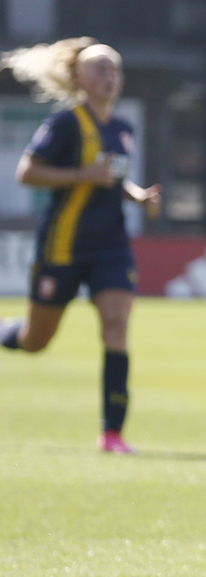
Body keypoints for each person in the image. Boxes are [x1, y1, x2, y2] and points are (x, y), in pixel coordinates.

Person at [1, 38, 162, 452]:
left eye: (115, 69)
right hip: (63, 246)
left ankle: (112, 433)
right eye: (101, 69)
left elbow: (112, 178)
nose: (110, 77)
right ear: (78, 77)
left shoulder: (122, 128)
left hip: (111, 246)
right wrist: (81, 175)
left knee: (116, 326)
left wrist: (138, 195)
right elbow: (27, 172)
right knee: (36, 341)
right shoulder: (64, 124)